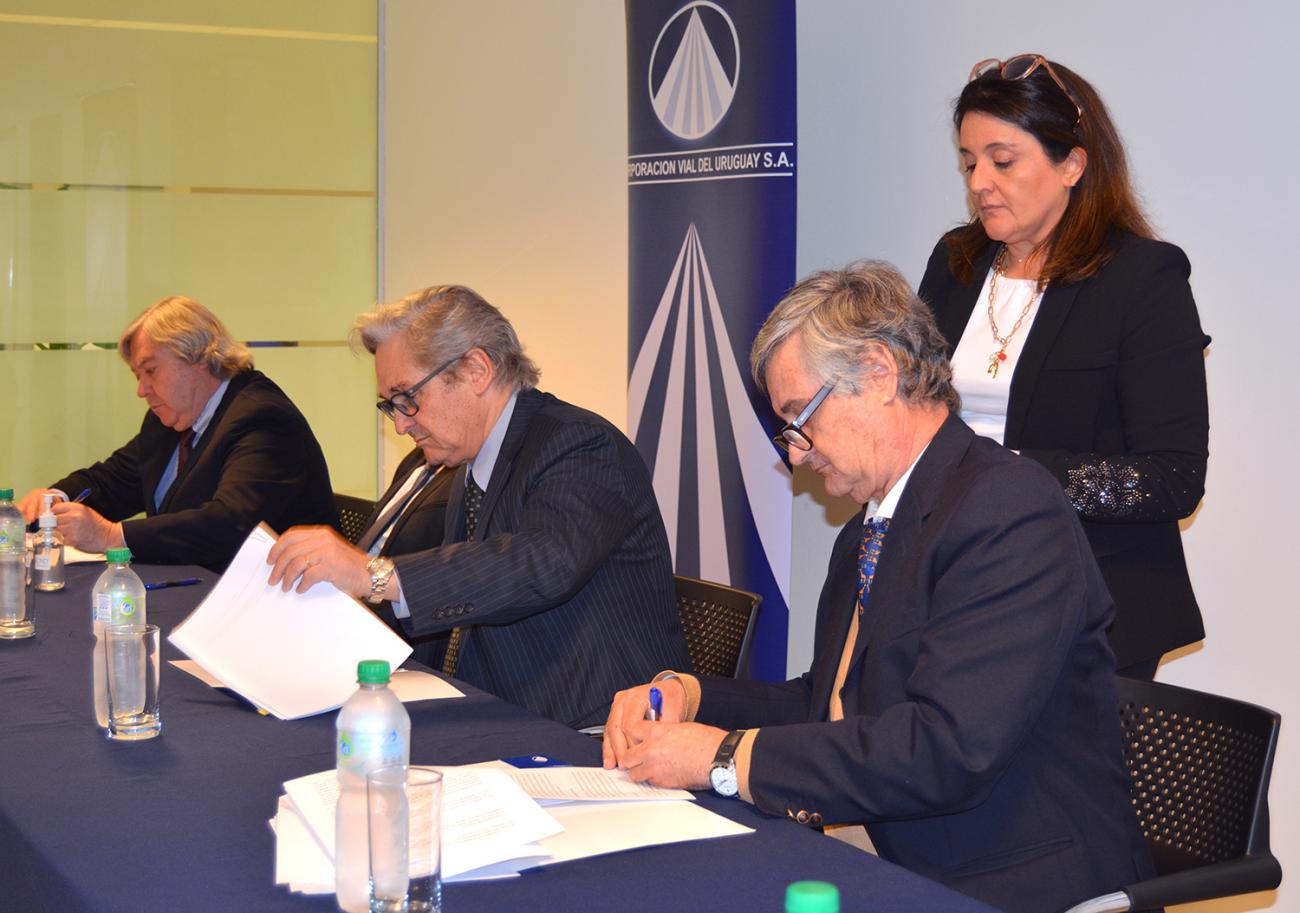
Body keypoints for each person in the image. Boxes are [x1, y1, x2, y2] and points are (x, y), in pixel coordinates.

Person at [603, 263, 1153, 913]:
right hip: (890, 855)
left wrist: (724, 756)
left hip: (1004, 877)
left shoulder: (1010, 510)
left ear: (879, 373)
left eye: (799, 417)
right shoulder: (873, 524)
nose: (795, 453)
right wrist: (691, 694)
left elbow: (945, 750)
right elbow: (826, 701)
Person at [267, 284, 691, 728]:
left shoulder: (581, 445)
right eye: (391, 406)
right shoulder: (468, 464)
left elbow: (538, 566)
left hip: (596, 729)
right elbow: (459, 602)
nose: (402, 425)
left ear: (476, 370)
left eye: (408, 398)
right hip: (501, 710)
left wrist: (373, 575)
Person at [917, 54, 1209, 678]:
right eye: (969, 163)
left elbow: (1174, 479)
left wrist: (1006, 472)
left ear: (1072, 164)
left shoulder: (1142, 279)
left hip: (1089, 603)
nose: (979, 182)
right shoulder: (955, 261)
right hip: (954, 585)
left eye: (1002, 161)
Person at [18, 296, 335, 571]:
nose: (142, 390)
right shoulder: (169, 420)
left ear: (199, 357)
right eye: (138, 376)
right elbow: (113, 482)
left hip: (274, 602)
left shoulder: (263, 418)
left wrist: (112, 536)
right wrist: (54, 499)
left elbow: (229, 525)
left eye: (151, 370)